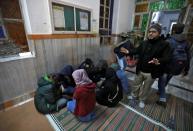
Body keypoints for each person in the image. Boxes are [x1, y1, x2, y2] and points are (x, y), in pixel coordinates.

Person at [127, 23, 171, 108]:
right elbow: (137, 50)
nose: (150, 33)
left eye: (153, 32)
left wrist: (159, 61)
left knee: (146, 88)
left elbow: (167, 58)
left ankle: (142, 100)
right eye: (149, 31)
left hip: (151, 72)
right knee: (136, 85)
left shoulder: (164, 44)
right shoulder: (144, 43)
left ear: (159, 33)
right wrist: (128, 52)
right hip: (140, 69)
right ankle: (134, 96)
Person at [157, 23, 190, 107]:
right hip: (178, 66)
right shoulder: (186, 42)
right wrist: (187, 68)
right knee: (168, 77)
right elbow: (189, 56)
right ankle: (160, 90)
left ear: (173, 30)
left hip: (167, 65)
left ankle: (162, 99)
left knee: (162, 79)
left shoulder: (169, 40)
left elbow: (161, 54)